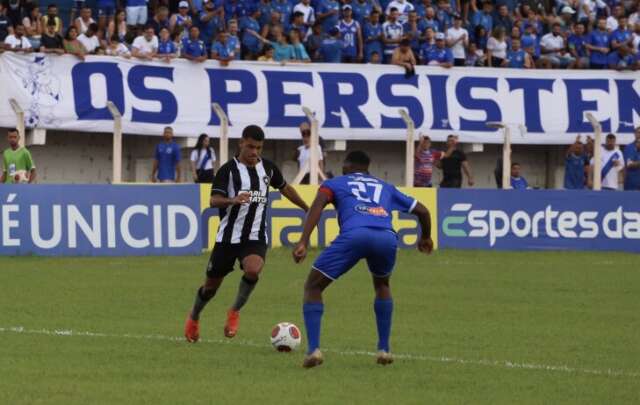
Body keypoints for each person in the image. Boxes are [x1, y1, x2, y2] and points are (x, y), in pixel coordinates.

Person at [292, 150, 433, 368]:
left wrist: (303, 241)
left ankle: (314, 350)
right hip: (386, 238)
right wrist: (425, 237)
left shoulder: (335, 183)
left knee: (313, 287)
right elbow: (423, 211)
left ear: (348, 166)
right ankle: (384, 350)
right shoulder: (386, 187)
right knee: (382, 284)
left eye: (344, 166)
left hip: (354, 235)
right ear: (367, 168)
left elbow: (317, 206)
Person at [184, 125, 309, 343]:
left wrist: (307, 207)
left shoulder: (268, 169)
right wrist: (233, 200)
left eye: (258, 148)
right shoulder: (227, 170)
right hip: (227, 238)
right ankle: (194, 316)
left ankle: (234, 311)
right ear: (241, 142)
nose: (254, 152)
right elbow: (213, 200)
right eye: (251, 147)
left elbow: (285, 188)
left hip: (255, 235)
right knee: (210, 288)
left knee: (253, 269)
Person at [623, 127, 640, 191]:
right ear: (635, 134)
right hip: (632, 184)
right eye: (638, 132)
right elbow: (629, 164)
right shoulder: (629, 147)